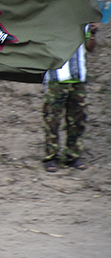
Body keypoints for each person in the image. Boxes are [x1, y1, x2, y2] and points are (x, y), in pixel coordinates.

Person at [42, 24, 98, 172]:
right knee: (52, 120)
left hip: (78, 78)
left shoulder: (84, 23)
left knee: (77, 120)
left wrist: (92, 33)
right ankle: (51, 157)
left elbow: (90, 48)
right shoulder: (49, 22)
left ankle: (73, 156)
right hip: (56, 78)